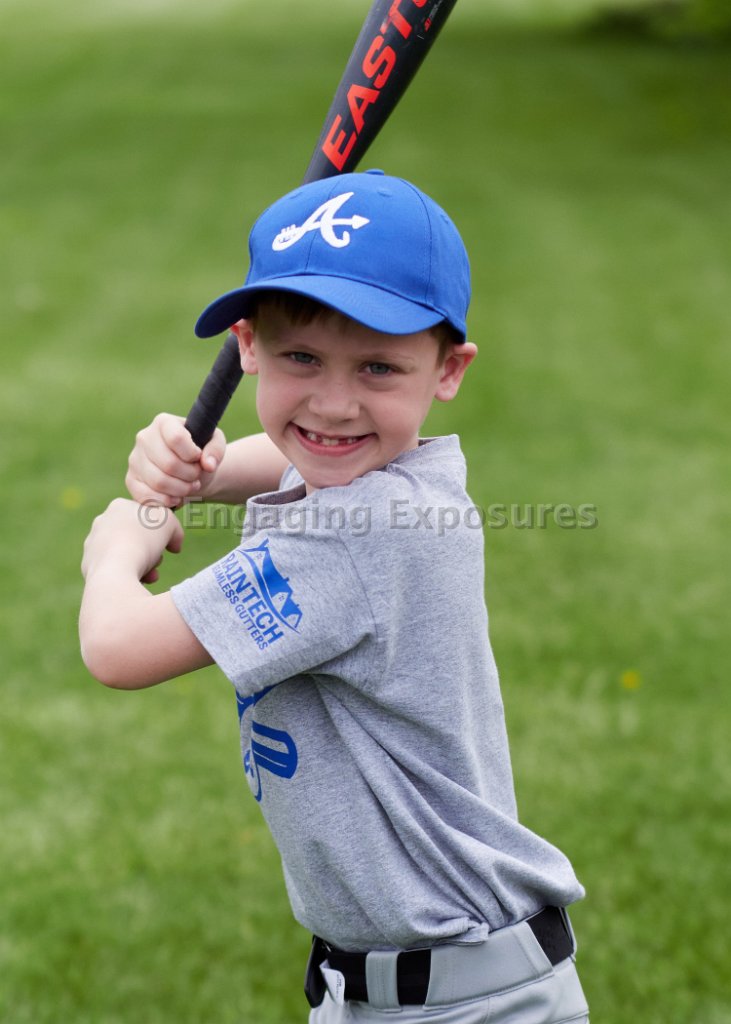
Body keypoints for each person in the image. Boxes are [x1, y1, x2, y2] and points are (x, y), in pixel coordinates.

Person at [80, 170, 589, 1023]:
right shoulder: (401, 481)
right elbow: (290, 458)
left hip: (459, 1001)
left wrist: (113, 550)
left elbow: (117, 649)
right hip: (404, 984)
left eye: (378, 367)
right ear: (248, 345)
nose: (334, 403)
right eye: (301, 358)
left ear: (448, 369)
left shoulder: (361, 533)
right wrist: (198, 471)